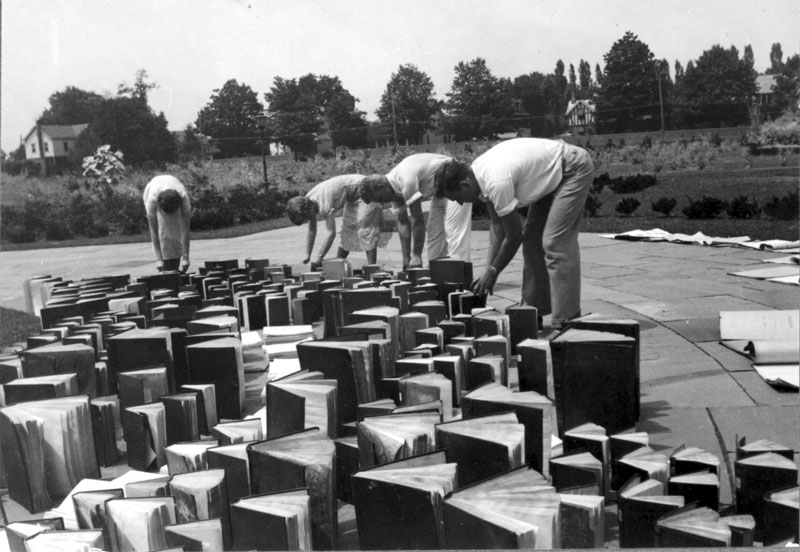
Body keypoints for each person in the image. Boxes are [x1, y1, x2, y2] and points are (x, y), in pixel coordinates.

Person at [435, 138, 595, 329]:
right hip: (551, 175)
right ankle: (532, 312)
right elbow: (497, 227)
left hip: (572, 169)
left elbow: (513, 236)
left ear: (464, 185)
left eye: (456, 198)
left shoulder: (496, 182)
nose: (460, 204)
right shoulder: (479, 174)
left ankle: (568, 320)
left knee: (555, 243)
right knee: (532, 244)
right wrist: (488, 270)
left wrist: (493, 272)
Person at [366, 153, 473, 269]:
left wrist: (416, 255)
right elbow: (402, 222)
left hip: (454, 181)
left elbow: (417, 219)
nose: (382, 203)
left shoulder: (405, 181)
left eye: (380, 199)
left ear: (382, 188)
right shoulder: (393, 188)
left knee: (454, 232)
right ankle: (438, 274)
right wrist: (407, 258)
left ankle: (460, 278)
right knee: (433, 233)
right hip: (439, 189)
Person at [286, 174, 393, 266]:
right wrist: (308, 255)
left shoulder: (323, 204)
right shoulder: (309, 201)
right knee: (347, 232)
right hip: (351, 197)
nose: (308, 220)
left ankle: (372, 269)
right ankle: (339, 266)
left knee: (364, 232)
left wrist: (320, 256)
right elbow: (312, 229)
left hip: (367, 190)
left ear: (308, 209)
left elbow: (330, 234)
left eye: (307, 217)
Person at [143, 174, 192, 273]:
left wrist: (185, 257)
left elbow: (185, 229)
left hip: (174, 184)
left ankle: (174, 264)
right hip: (154, 187)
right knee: (163, 232)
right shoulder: (152, 200)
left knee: (174, 231)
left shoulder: (183, 197)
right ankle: (166, 268)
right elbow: (154, 231)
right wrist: (159, 259)